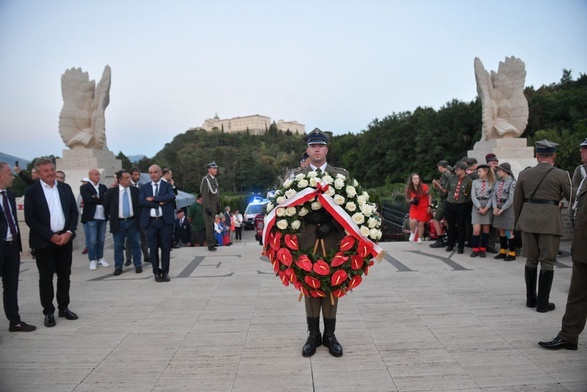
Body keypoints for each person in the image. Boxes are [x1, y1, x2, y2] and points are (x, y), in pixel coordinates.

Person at [295, 128, 348, 358]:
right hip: (306, 238)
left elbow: (350, 208)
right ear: (307, 150)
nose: (316, 149)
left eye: (320, 146)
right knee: (310, 285)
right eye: (312, 146)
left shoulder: (341, 175)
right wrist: (306, 216)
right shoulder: (296, 177)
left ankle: (330, 335)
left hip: (333, 239)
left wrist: (333, 224)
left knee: (331, 285)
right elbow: (285, 210)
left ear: (326, 149)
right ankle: (313, 335)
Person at [538, 141, 587, 351]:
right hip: (583, 247)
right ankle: (568, 336)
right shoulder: (583, 175)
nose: (581, 151)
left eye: (584, 149)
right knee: (577, 294)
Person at [514, 140, 572, 313]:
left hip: (528, 221)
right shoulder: (561, 175)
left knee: (531, 259)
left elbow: (517, 201)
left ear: (537, 156)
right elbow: (572, 197)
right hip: (549, 221)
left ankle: (530, 299)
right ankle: (543, 303)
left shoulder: (524, 174)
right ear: (553, 156)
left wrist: (518, 222)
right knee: (547, 261)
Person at [24, 157, 79, 328]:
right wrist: (50, 236)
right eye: (46, 171)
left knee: (64, 275)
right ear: (38, 173)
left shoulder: (65, 188)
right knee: (46, 277)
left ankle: (64, 307)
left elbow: (73, 212)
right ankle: (48, 311)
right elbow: (30, 219)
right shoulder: (32, 192)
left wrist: (69, 232)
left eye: (52, 169)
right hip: (44, 241)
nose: (50, 173)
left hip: (65, 239)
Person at [0, 162, 36, 332]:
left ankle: (15, 321)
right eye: (9, 174)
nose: (12, 176)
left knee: (11, 286)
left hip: (12, 247)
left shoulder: (9, 194)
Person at [139, 164, 176, 282]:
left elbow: (171, 197)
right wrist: (158, 203)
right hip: (150, 223)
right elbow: (142, 202)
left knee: (165, 248)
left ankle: (165, 272)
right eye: (150, 172)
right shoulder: (144, 187)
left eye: (155, 172)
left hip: (165, 222)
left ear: (160, 173)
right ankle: (156, 272)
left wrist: (154, 198)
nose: (153, 175)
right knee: (153, 248)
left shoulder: (167, 186)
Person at [103, 170, 142, 276]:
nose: (129, 179)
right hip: (118, 222)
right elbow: (105, 206)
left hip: (133, 221)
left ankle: (138, 264)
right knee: (118, 245)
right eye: (126, 178)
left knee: (136, 244)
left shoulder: (135, 191)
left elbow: (140, 206)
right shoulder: (112, 192)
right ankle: (118, 266)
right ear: (120, 180)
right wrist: (112, 217)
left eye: (129, 177)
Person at [80, 169, 110, 271]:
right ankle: (92, 259)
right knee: (92, 240)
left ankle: (100, 258)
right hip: (91, 217)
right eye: (95, 174)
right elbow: (88, 199)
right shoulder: (85, 187)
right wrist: (98, 198)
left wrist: (97, 197)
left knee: (101, 239)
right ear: (90, 176)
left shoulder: (103, 187)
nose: (98, 176)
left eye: (98, 174)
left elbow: (106, 199)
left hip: (102, 216)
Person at [444, 161, 472, 254]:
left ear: (463, 170)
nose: (456, 171)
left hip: (461, 205)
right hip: (450, 203)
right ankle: (450, 244)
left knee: (461, 226)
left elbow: (469, 194)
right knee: (451, 226)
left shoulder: (469, 180)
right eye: (455, 169)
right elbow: (447, 190)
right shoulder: (452, 178)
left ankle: (461, 246)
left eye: (458, 169)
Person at [492, 163, 517, 261]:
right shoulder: (498, 182)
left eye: (499, 170)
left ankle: (512, 253)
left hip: (507, 208)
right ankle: (503, 251)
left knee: (509, 231)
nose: (497, 172)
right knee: (501, 230)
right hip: (498, 206)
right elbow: (494, 195)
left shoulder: (512, 183)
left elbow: (511, 198)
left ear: (505, 171)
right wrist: (495, 207)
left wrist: (502, 209)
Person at [470, 164, 495, 258]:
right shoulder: (475, 182)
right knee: (476, 229)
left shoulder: (492, 182)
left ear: (486, 171)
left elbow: (493, 196)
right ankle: (475, 249)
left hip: (487, 204)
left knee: (486, 229)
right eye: (478, 171)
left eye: (480, 171)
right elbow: (473, 195)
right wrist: (479, 207)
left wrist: (487, 208)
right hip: (477, 205)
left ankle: (483, 249)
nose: (478, 173)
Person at [127, 167, 150, 264]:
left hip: (141, 215)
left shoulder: (142, 186)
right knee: (129, 238)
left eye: (138, 175)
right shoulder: (126, 187)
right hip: (131, 216)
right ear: (131, 175)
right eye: (135, 175)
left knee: (143, 236)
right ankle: (128, 258)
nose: (137, 177)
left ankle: (146, 255)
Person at [405, 173, 432, 244]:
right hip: (415, 207)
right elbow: (407, 199)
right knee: (413, 221)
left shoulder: (425, 187)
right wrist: (411, 200)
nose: (416, 180)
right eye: (414, 178)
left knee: (421, 224)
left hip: (424, 206)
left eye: (417, 178)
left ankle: (419, 238)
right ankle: (413, 232)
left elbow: (429, 196)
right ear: (411, 180)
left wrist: (429, 206)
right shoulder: (409, 189)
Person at [430, 160, 451, 248]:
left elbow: (444, 191)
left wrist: (437, 185)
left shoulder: (445, 175)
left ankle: (440, 239)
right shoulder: (449, 174)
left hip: (445, 200)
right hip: (448, 200)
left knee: (436, 219)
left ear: (440, 167)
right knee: (446, 220)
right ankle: (450, 238)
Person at [200, 161, 221, 252]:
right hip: (208, 208)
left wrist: (218, 206)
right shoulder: (206, 179)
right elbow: (205, 195)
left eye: (216, 168)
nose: (215, 170)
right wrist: (207, 207)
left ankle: (213, 241)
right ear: (209, 169)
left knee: (212, 225)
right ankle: (210, 244)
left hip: (213, 207)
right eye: (213, 168)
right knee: (209, 226)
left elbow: (216, 195)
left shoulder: (214, 179)